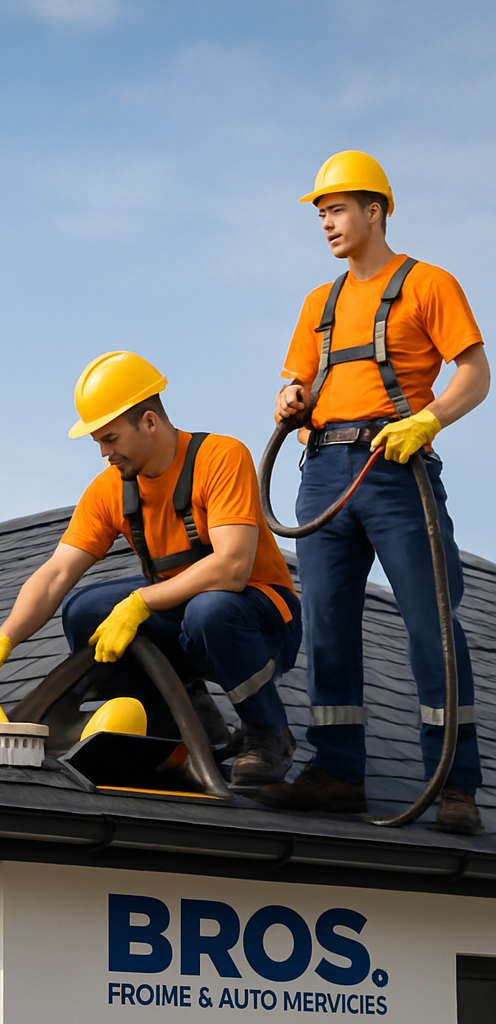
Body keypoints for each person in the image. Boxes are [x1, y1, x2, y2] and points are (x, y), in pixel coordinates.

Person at [258, 151, 489, 834]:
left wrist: (429, 420)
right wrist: (290, 397)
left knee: (430, 627)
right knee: (327, 625)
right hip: (322, 474)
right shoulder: (318, 303)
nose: (326, 223)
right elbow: (292, 382)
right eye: (321, 213)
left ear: (374, 211)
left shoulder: (428, 284)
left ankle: (455, 785)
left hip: (396, 468)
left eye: (335, 209)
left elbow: (476, 374)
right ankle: (336, 773)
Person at [0, 351, 302, 788]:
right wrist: (2, 640)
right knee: (86, 610)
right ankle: (180, 728)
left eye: (110, 438)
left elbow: (232, 567)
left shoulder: (219, 457)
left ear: (149, 422)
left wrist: (140, 601)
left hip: (260, 622)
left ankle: (268, 735)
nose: (104, 453)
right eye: (98, 442)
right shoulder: (109, 490)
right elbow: (56, 574)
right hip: (185, 619)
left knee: (210, 611)